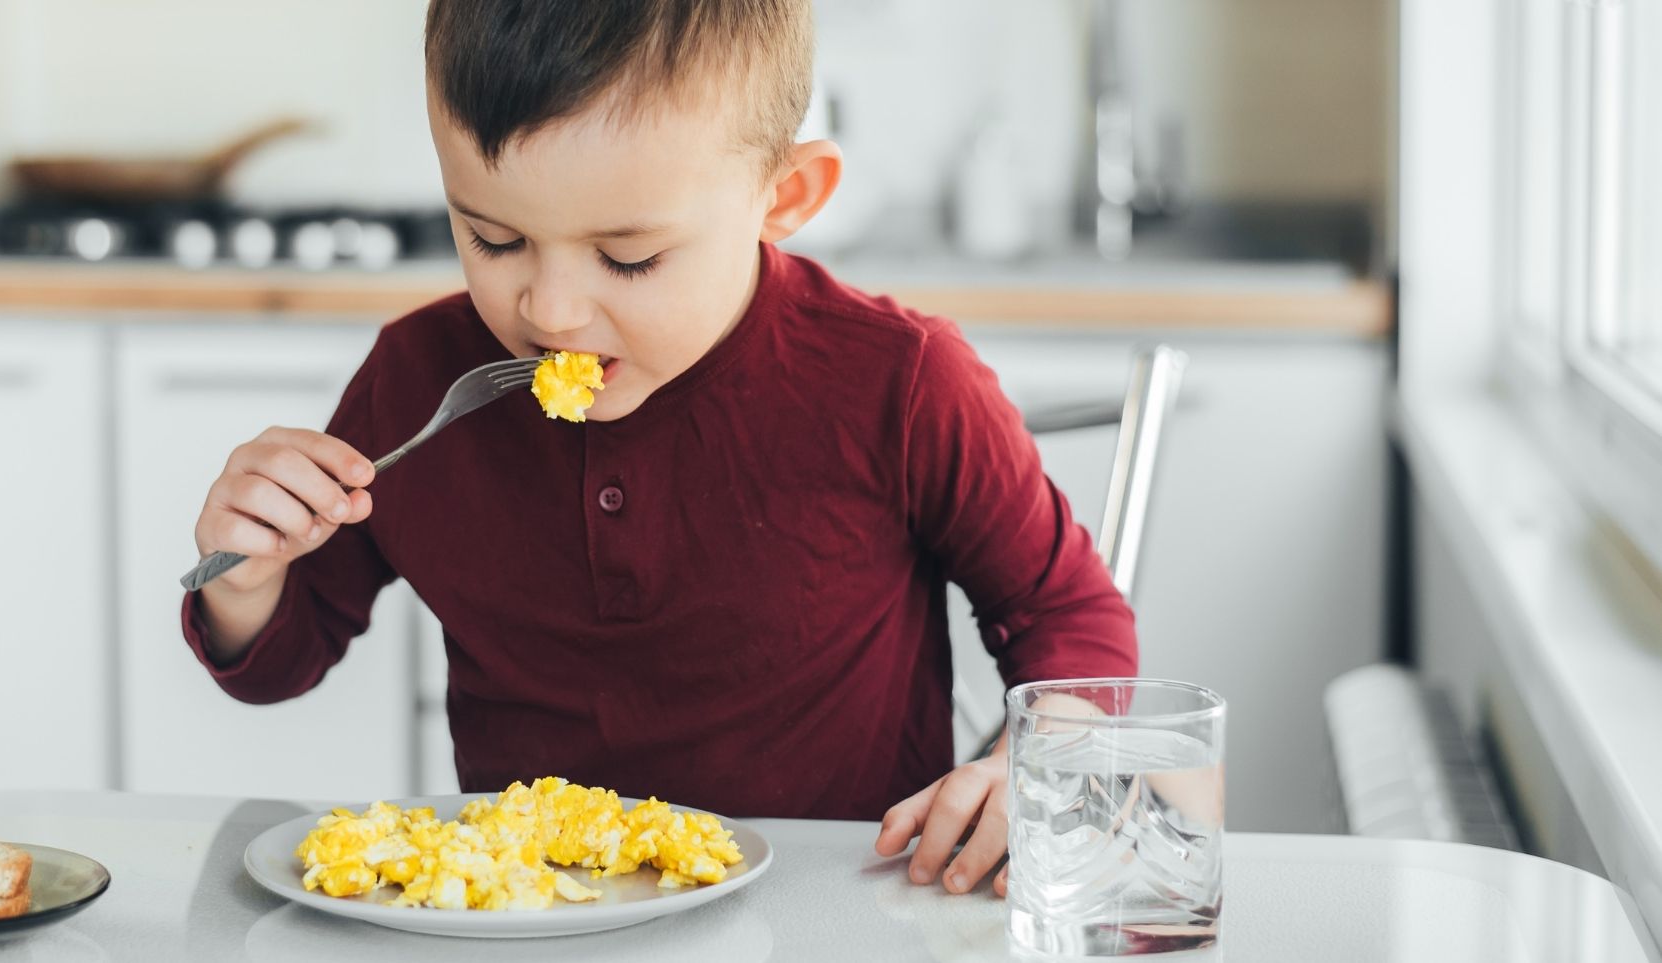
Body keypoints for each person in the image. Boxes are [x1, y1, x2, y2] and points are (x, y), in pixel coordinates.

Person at [184, 0, 1136, 897]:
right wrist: (245, 574)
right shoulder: (416, 381)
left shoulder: (901, 382)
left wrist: (1042, 757)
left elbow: (1066, 613)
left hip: (846, 909)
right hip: (534, 920)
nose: (549, 311)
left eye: (628, 257)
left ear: (785, 195)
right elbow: (281, 660)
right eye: (492, 238)